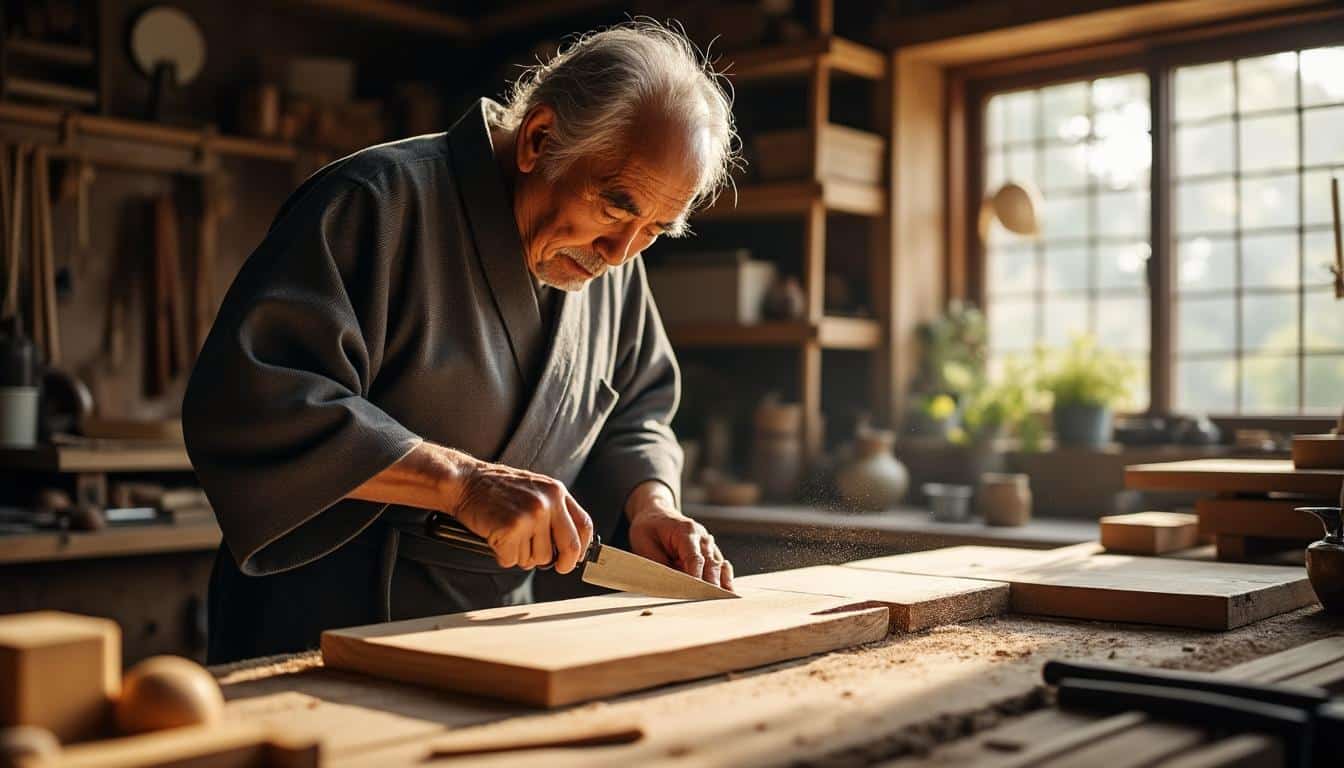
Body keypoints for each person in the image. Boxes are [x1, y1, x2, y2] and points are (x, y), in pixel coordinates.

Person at [184, 22, 740, 663]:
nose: (620, 253)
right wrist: (461, 482)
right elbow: (255, 396)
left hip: (492, 634)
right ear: (539, 138)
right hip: (324, 619)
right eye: (614, 207)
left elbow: (636, 410)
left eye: (655, 229)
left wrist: (651, 506)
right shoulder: (376, 202)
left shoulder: (610, 262)